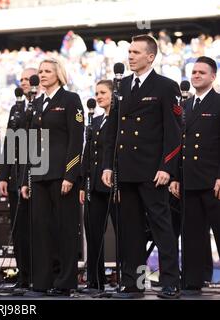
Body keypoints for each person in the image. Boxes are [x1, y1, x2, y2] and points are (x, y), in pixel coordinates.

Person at [101, 34, 181, 299]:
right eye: (129, 52)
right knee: (130, 229)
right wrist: (107, 166)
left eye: (136, 52)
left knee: (161, 227)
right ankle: (134, 282)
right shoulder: (121, 86)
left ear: (150, 56)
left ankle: (170, 281)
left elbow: (173, 132)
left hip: (152, 170)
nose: (130, 56)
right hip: (126, 169)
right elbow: (112, 130)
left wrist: (166, 168)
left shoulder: (165, 86)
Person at [21, 58, 84, 297]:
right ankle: (42, 280)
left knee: (65, 228)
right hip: (38, 175)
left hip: (61, 175)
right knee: (41, 229)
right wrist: (27, 177)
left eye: (47, 71)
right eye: (40, 71)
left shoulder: (70, 100)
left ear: (58, 74)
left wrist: (70, 173)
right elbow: (31, 144)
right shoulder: (37, 103)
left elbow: (76, 140)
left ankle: (65, 281)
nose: (43, 74)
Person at [169, 56, 220, 295]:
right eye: (194, 72)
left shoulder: (219, 103)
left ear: (213, 76)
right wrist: (177, 177)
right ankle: (192, 280)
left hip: (213, 180)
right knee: (192, 235)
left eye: (202, 72)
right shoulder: (185, 107)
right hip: (189, 179)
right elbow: (181, 144)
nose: (196, 75)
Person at [0, 68, 36, 290]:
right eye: (21, 79)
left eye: (27, 79)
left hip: (36, 175)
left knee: (37, 228)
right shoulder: (16, 107)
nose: (23, 82)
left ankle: (39, 276)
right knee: (19, 229)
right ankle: (23, 275)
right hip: (15, 176)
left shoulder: (41, 104)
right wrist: (3, 175)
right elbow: (9, 142)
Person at [79, 80, 114, 294]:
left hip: (113, 185)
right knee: (93, 233)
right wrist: (83, 183)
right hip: (93, 186)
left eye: (103, 93)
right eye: (96, 93)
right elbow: (87, 154)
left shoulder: (119, 119)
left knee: (123, 233)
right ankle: (95, 279)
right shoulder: (96, 120)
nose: (99, 96)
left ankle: (126, 279)